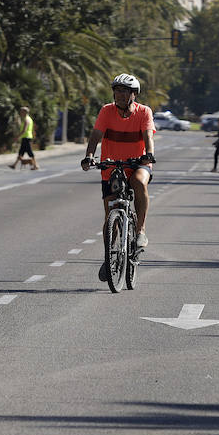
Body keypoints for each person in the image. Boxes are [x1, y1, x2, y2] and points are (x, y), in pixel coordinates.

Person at [81, 73, 156, 280]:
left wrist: (148, 155)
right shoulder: (107, 111)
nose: (120, 95)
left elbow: (148, 135)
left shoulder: (144, 112)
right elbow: (96, 135)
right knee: (110, 216)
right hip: (111, 165)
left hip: (137, 164)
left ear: (134, 94)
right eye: (117, 91)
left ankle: (140, 230)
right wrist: (89, 156)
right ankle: (109, 258)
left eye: (125, 91)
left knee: (139, 181)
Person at [10, 105, 40, 170]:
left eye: (21, 112)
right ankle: (14, 165)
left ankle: (35, 165)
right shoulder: (28, 119)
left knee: (29, 152)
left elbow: (24, 130)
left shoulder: (27, 119)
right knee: (21, 152)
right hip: (26, 137)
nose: (20, 113)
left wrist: (17, 137)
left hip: (26, 137)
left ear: (25, 112)